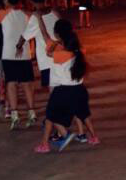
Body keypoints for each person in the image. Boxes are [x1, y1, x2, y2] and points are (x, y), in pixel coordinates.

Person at [34, 19, 99, 153]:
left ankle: (45, 144)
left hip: (63, 90)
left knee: (50, 116)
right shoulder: (80, 51)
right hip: (80, 89)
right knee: (83, 114)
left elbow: (48, 52)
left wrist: (55, 43)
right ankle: (94, 137)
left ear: (58, 35)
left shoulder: (60, 54)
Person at [0, 0, 37, 129]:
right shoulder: (27, 13)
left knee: (11, 84)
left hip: (8, 53)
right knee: (27, 84)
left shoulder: (2, 13)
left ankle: (14, 114)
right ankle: (31, 112)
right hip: (24, 54)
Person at [20, 5, 60, 90]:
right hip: (71, 81)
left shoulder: (51, 45)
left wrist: (39, 18)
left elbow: (45, 34)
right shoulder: (69, 46)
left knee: (54, 88)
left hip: (48, 63)